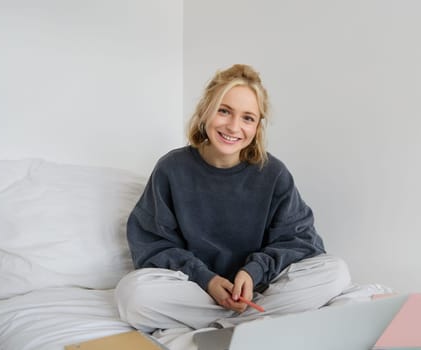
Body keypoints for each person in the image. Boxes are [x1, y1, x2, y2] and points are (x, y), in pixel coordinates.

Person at [115, 64, 351, 333]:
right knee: (131, 295)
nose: (234, 126)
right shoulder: (172, 168)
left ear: (257, 126)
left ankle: (230, 324)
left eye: (248, 118)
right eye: (224, 110)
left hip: (260, 293)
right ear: (206, 111)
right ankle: (250, 325)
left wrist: (253, 272)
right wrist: (207, 280)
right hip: (197, 291)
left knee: (336, 272)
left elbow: (300, 240)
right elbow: (152, 244)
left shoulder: (273, 173)